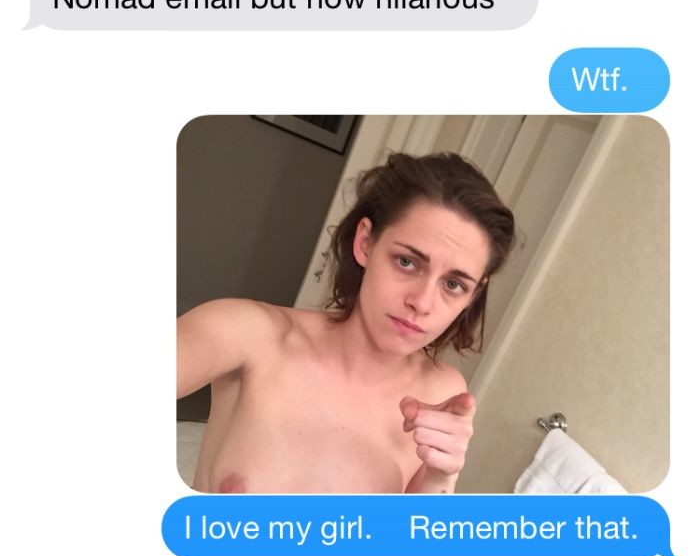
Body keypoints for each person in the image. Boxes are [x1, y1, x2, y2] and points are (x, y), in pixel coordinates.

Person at [177, 151, 516, 493]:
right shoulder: (248, 334)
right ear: (365, 243)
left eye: (453, 284)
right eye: (406, 262)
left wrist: (441, 478)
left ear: (473, 295)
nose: (422, 303)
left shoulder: (442, 392)